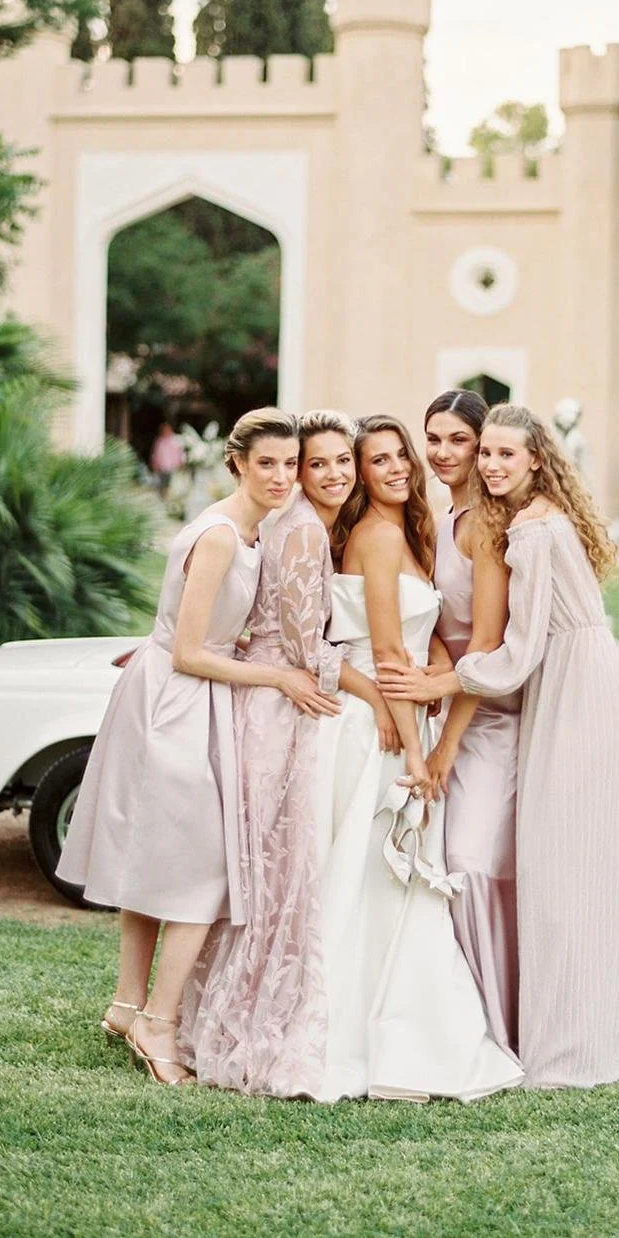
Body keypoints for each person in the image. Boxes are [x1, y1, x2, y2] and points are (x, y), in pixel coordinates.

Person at [56, 408, 340, 1085]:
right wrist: (279, 675)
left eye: (290, 464)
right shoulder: (218, 536)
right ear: (236, 463)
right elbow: (188, 651)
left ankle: (127, 1004)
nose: (282, 476)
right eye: (266, 463)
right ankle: (157, 1022)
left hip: (193, 693)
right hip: (176, 700)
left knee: (158, 854)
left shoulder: (253, 531)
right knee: (207, 865)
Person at [180, 411, 399, 1096]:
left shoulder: (305, 524)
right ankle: (258, 1022)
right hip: (281, 708)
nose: (332, 473)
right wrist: (378, 695)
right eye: (316, 463)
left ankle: (233, 1011)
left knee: (273, 867)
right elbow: (309, 650)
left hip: (281, 699)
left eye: (342, 461)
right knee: (276, 869)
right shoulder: (304, 529)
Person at [311, 413, 523, 1101]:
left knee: (391, 882)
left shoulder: (406, 530)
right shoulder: (376, 537)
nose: (398, 467)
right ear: (361, 474)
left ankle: (398, 1022)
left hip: (408, 714)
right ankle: (349, 1031)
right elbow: (383, 651)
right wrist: (414, 754)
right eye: (379, 460)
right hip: (378, 730)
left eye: (401, 454)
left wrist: (434, 669)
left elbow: (420, 631)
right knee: (368, 875)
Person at [453, 403, 619, 1090]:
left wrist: (451, 678)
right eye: (486, 453)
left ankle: (563, 1049)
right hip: (590, 681)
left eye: (506, 453)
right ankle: (581, 1032)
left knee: (560, 870)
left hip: (573, 693)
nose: (491, 465)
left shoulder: (531, 529)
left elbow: (522, 649)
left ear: (536, 459)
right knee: (583, 866)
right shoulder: (549, 515)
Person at [378, 390, 521, 1054]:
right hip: (446, 711)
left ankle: (498, 1023)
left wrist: (447, 748)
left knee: (468, 860)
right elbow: (442, 620)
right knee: (438, 860)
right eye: (432, 439)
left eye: (458, 440)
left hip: (488, 718)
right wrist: (434, 660)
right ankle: (454, 1019)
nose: (441, 452)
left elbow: (486, 647)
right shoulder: (443, 517)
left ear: (482, 444)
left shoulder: (487, 525)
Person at [149, 421, 185, 499]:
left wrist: (182, 464)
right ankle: (163, 500)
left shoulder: (176, 440)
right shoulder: (159, 441)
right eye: (163, 429)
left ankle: (171, 500)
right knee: (161, 486)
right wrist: (154, 464)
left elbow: (181, 454)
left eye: (167, 429)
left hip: (173, 467)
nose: (165, 431)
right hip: (161, 468)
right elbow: (155, 454)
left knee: (172, 487)